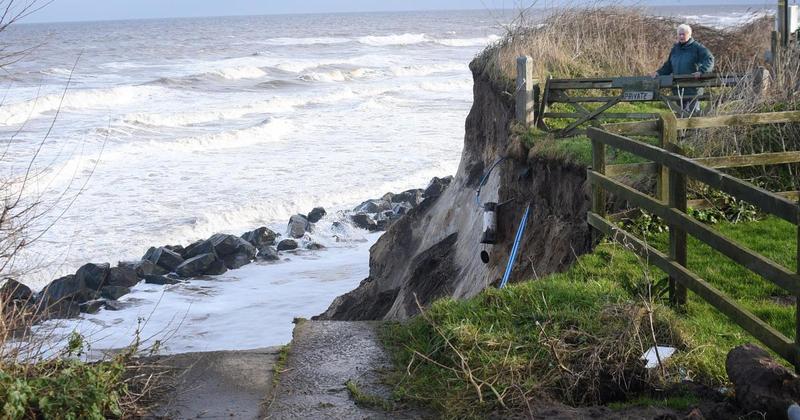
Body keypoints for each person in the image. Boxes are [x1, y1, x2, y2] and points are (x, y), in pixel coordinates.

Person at [652, 24, 715, 115]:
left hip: (693, 88)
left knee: (693, 114)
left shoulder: (697, 47)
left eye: (684, 34)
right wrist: (658, 73)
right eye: (680, 34)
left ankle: (695, 129)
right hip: (678, 88)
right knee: (682, 114)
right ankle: (683, 130)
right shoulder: (675, 49)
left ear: (689, 35)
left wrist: (701, 71)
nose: (681, 36)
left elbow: (709, 59)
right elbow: (668, 66)